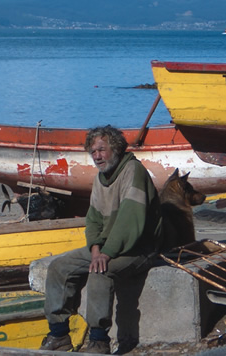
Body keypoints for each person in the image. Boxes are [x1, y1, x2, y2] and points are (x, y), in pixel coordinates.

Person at [39, 125, 164, 354]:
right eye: (93, 152)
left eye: (101, 150)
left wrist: (105, 254)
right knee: (59, 267)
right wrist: (95, 249)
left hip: (138, 249)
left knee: (100, 271)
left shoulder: (133, 172)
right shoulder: (100, 178)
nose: (97, 156)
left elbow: (129, 222)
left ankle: (99, 340)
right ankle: (58, 334)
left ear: (115, 148)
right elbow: (93, 220)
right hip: (107, 246)